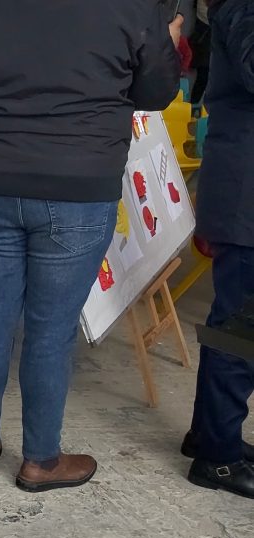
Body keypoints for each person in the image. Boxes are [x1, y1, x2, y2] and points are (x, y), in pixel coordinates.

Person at [0, 0, 181, 490]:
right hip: (79, 184)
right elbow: (158, 91)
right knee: (51, 329)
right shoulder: (132, 6)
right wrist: (168, 39)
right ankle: (40, 460)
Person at [183, 0, 254, 500]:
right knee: (240, 329)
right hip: (246, 194)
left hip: (243, 191)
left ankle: (211, 434)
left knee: (235, 324)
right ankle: (218, 460)